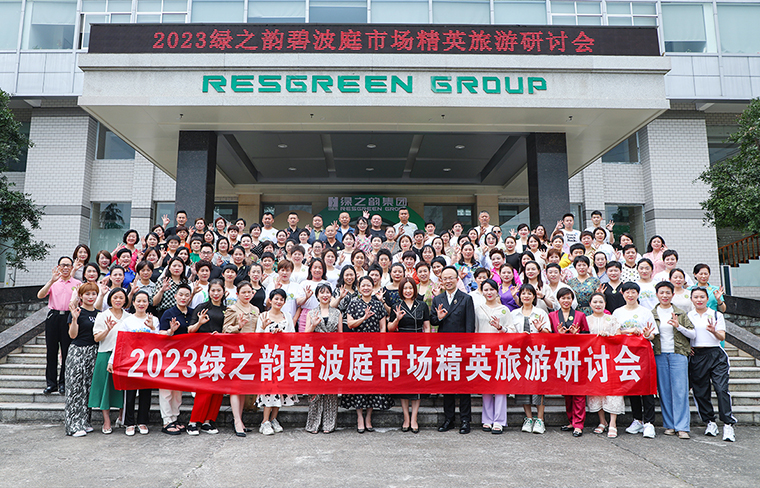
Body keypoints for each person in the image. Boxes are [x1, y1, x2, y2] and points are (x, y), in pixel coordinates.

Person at [341, 276, 393, 432]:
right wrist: (363, 317)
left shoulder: (378, 304)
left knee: (372, 383)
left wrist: (382, 346)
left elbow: (383, 327)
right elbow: (350, 324)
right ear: (359, 288)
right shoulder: (353, 303)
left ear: (373, 287)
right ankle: (359, 417)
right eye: (363, 285)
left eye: (368, 285)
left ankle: (369, 417)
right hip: (358, 348)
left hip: (375, 347)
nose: (365, 288)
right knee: (359, 381)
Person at [688, 287, 737, 442]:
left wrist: (713, 331)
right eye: (696, 297)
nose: (699, 300)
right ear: (691, 299)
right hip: (697, 355)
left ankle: (728, 424)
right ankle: (710, 422)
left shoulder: (716, 314)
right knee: (700, 391)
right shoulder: (689, 316)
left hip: (716, 355)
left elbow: (722, 336)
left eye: (702, 297)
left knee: (721, 389)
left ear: (707, 298)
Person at [431, 266, 476, 434]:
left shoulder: (466, 298)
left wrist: (467, 348)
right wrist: (438, 318)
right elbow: (433, 320)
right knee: (447, 385)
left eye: (451, 278)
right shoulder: (438, 299)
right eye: (445, 278)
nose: (448, 281)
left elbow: (470, 325)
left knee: (464, 386)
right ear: (441, 280)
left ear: (457, 279)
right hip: (444, 348)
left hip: (461, 347)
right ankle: (449, 419)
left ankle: (465, 420)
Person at [613, 282, 658, 438]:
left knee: (647, 388)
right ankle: (637, 420)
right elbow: (615, 332)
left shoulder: (646, 312)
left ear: (638, 294)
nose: (630, 295)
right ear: (622, 293)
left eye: (633, 292)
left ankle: (649, 423)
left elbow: (652, 334)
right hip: (626, 354)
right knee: (632, 387)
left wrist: (647, 335)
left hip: (644, 354)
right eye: (627, 292)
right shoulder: (617, 312)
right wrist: (629, 330)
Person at [651, 281, 695, 440]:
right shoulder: (651, 313)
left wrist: (678, 326)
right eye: (661, 293)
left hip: (678, 354)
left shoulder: (680, 313)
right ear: (657, 295)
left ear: (672, 294)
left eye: (667, 293)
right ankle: (669, 425)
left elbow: (693, 333)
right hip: (659, 354)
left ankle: (682, 427)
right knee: (664, 391)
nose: (664, 296)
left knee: (680, 391)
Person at [387, 278, 431, 433]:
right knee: (404, 383)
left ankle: (414, 418)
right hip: (402, 347)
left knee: (417, 382)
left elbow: (427, 327)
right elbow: (390, 328)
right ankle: (406, 417)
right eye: (405, 288)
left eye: (410, 288)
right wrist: (397, 320)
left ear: (414, 289)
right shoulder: (396, 306)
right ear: (401, 290)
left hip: (419, 347)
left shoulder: (422, 305)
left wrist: (427, 347)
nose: (408, 291)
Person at [185, 280, 227, 436]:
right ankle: (193, 422)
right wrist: (199, 323)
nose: (216, 293)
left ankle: (208, 421)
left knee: (218, 390)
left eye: (219, 290)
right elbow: (190, 330)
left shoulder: (226, 310)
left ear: (224, 292)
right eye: (213, 290)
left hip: (221, 353)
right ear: (208, 292)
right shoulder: (202, 308)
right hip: (204, 353)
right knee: (204, 389)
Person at [473, 279, 514, 434]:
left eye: (492, 289)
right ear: (482, 291)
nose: (489, 292)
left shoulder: (504, 310)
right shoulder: (478, 309)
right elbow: (475, 330)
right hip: (483, 351)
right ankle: (487, 419)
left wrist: (501, 328)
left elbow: (512, 330)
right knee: (486, 387)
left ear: (497, 291)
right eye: (486, 290)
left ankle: (499, 421)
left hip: (500, 351)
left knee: (500, 387)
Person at [256, 288, 299, 435]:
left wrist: (282, 333)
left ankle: (273, 419)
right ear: (270, 300)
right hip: (268, 357)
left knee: (280, 389)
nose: (279, 302)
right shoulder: (263, 316)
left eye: (281, 299)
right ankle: (264, 422)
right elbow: (256, 338)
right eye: (276, 299)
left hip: (283, 357)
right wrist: (263, 329)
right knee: (270, 389)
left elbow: (293, 336)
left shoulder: (287, 316)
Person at [548, 288, 590, 437]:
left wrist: (576, 335)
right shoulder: (552, 315)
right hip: (560, 358)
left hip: (577, 357)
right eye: (563, 298)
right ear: (558, 300)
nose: (566, 301)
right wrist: (558, 335)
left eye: (568, 298)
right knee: (566, 391)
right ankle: (571, 420)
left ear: (573, 300)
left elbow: (587, 335)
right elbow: (549, 338)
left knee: (578, 392)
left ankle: (578, 424)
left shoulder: (580, 315)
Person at [117, 290, 159, 436]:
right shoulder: (127, 321)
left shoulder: (154, 319)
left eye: (144, 301)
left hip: (148, 362)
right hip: (131, 362)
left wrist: (152, 328)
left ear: (148, 303)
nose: (141, 304)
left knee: (146, 394)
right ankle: (129, 423)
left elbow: (158, 341)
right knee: (130, 394)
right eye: (138, 301)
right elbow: (121, 341)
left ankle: (142, 422)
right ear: (133, 303)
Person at [38, 256, 81, 395]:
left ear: (72, 267)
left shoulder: (77, 283)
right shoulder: (53, 282)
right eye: (63, 265)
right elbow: (40, 295)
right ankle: (51, 383)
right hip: (54, 316)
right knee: (51, 351)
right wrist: (51, 281)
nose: (66, 268)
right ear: (58, 267)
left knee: (66, 351)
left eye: (68, 265)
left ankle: (63, 382)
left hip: (68, 317)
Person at [89, 288, 130, 434]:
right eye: (115, 297)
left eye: (121, 297)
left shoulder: (129, 317)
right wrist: (107, 329)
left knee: (123, 389)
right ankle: (106, 420)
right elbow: (96, 338)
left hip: (124, 357)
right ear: (110, 299)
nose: (118, 300)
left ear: (125, 300)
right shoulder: (102, 316)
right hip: (105, 353)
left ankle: (121, 417)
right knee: (105, 388)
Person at [511, 284, 551, 434]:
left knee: (538, 387)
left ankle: (540, 419)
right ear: (519, 296)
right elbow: (509, 334)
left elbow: (548, 334)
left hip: (537, 354)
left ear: (534, 296)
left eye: (529, 293)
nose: (526, 296)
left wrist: (540, 329)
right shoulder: (514, 314)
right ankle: (528, 418)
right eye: (523, 293)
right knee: (522, 387)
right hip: (520, 355)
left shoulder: (540, 312)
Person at [222, 281, 260, 436]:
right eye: (243, 292)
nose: (246, 295)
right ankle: (237, 421)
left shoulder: (256, 309)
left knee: (243, 386)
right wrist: (238, 327)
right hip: (236, 350)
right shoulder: (232, 309)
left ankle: (240, 420)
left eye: (249, 292)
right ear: (237, 294)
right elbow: (225, 329)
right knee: (235, 386)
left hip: (252, 351)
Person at [304, 284, 342, 434]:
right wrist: (313, 325)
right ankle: (313, 424)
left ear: (331, 295)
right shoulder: (311, 312)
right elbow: (306, 335)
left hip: (333, 353)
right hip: (316, 353)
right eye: (322, 293)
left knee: (331, 389)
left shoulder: (337, 312)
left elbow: (340, 335)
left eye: (327, 292)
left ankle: (329, 424)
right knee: (315, 389)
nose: (325, 295)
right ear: (317, 296)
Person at [585, 292, 624, 438]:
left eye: (600, 302)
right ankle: (602, 421)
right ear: (590, 304)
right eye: (594, 302)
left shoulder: (611, 319)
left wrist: (609, 336)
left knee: (613, 391)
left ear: (605, 304)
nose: (598, 304)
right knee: (596, 391)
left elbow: (620, 338)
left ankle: (613, 423)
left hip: (611, 359)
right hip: (593, 360)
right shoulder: (586, 320)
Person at [64, 282, 100, 437]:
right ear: (80, 296)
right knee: (75, 388)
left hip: (94, 352)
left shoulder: (100, 314)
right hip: (78, 351)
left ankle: (84, 421)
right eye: (87, 294)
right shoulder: (77, 311)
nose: (90, 297)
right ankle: (73, 425)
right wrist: (74, 319)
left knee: (88, 388)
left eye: (93, 294)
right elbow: (72, 335)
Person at [158, 283, 194, 435]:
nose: (183, 298)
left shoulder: (192, 313)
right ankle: (167, 421)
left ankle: (175, 417)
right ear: (175, 296)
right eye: (181, 295)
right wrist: (170, 331)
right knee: (166, 390)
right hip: (169, 355)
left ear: (190, 297)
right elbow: (160, 333)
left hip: (186, 356)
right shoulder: (168, 313)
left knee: (178, 390)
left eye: (186, 295)